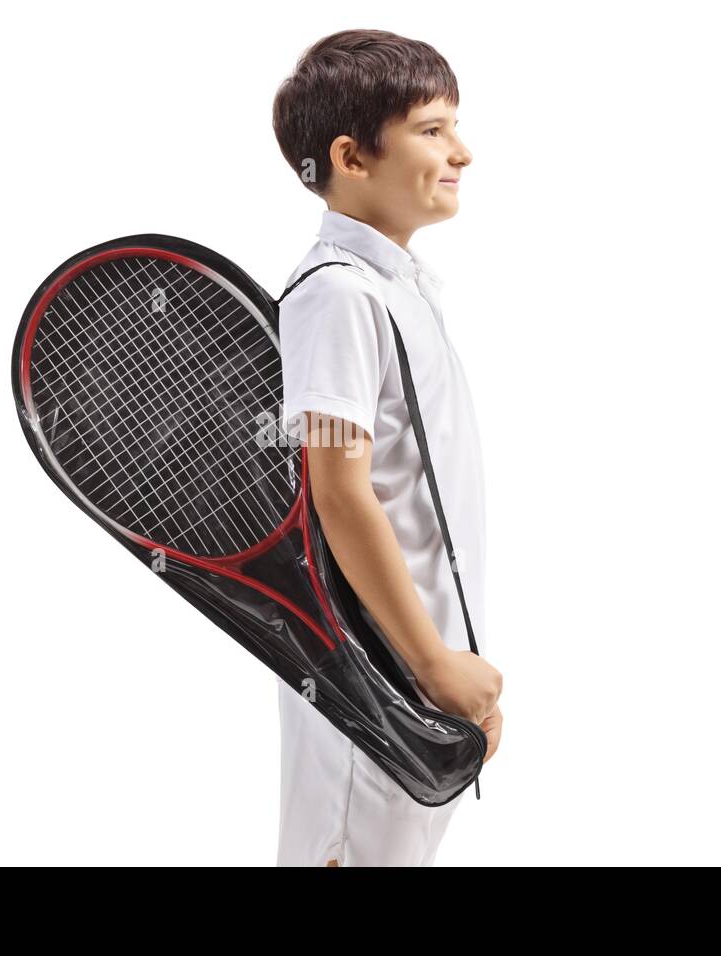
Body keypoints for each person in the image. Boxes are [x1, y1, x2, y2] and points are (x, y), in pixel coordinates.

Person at [271, 28, 503, 867]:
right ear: (352, 158)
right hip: (374, 683)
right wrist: (435, 662)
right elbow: (340, 493)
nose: (462, 152)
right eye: (433, 130)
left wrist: (453, 666)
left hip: (416, 676)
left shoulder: (394, 287)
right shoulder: (335, 295)